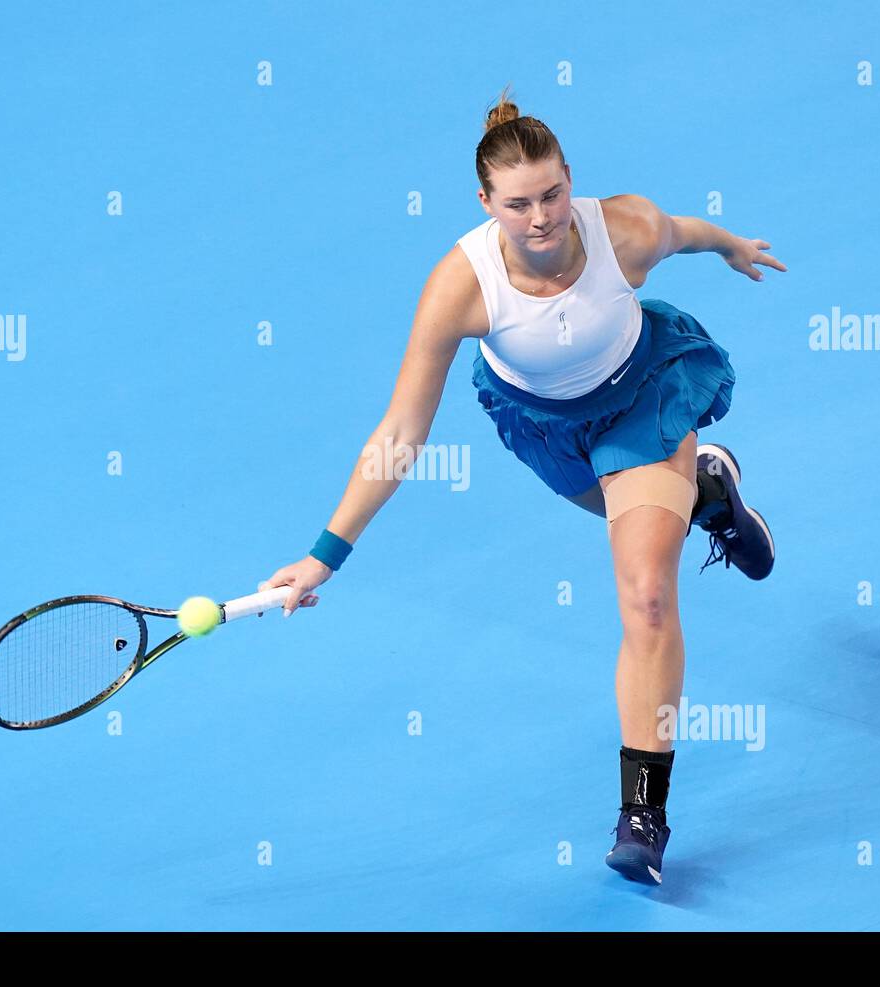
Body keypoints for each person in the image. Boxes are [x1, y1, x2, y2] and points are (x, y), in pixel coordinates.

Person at [258, 88, 785, 885]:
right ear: (484, 203)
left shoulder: (625, 230)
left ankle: (643, 814)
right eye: (517, 204)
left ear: (570, 179)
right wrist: (325, 553)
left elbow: (687, 232)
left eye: (552, 194)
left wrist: (732, 246)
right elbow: (401, 433)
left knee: (645, 592)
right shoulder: (459, 286)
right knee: (635, 522)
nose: (540, 218)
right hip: (547, 429)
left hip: (642, 398)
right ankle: (709, 493)